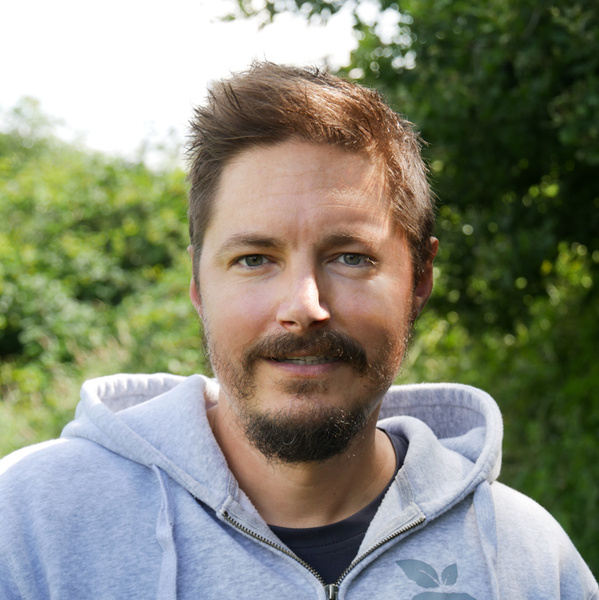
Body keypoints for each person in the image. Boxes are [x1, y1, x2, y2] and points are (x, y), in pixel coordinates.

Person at [0, 62, 596, 600]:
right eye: (255, 259)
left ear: (420, 278)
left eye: (350, 258)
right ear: (198, 284)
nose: (304, 307)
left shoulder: (529, 561)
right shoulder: (30, 526)